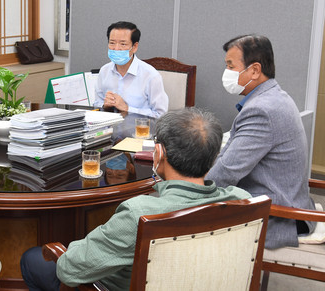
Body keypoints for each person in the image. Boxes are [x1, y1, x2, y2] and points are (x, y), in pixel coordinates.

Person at [20, 108, 251, 290]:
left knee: (34, 259)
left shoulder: (140, 213)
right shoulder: (242, 201)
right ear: (212, 160)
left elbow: (69, 270)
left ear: (158, 154)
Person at [206, 34, 315, 249]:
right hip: (284, 200)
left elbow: (227, 172)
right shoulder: (273, 96)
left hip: (278, 216)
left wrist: (188, 189)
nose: (226, 73)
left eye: (231, 65)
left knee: (180, 223)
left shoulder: (262, 110)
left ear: (255, 70)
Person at [93, 21, 168, 118]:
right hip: (109, 130)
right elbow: (96, 104)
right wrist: (105, 106)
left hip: (139, 131)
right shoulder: (104, 71)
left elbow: (161, 115)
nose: (116, 48)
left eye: (123, 44)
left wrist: (127, 108)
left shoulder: (150, 75)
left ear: (134, 47)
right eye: (112, 43)